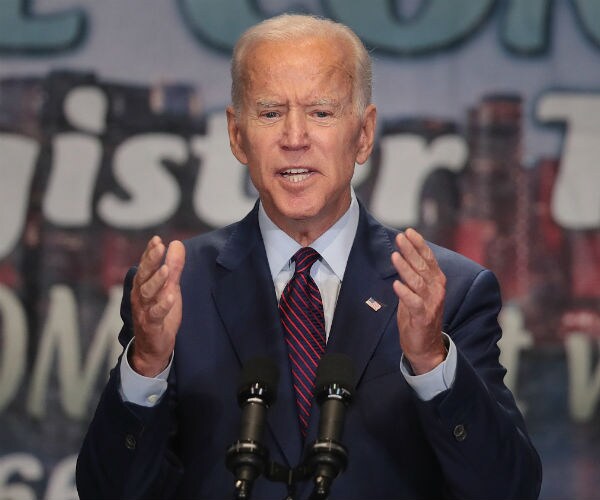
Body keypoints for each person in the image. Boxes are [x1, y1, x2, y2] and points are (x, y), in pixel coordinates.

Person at [76, 13, 542, 500]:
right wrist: (147, 365)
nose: (294, 137)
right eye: (271, 112)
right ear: (237, 136)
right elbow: (108, 491)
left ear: (363, 134)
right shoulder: (177, 291)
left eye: (321, 112)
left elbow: (509, 489)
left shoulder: (451, 291)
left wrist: (430, 361)